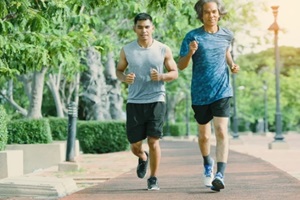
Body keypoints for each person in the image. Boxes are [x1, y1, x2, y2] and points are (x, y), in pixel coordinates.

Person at [178, 0, 240, 192]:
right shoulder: (192, 36)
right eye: (207, 12)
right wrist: (190, 52)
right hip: (200, 93)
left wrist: (232, 64)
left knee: (221, 131)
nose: (211, 15)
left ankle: (220, 174)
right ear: (201, 15)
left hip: (222, 90)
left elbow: (226, 52)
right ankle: (207, 164)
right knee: (204, 137)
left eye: (214, 12)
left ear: (219, 13)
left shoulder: (227, 35)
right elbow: (180, 65)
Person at [116, 13, 178, 190]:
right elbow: (119, 71)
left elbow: (174, 72)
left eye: (147, 27)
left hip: (157, 99)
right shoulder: (127, 50)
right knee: (135, 145)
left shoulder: (163, 49)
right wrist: (124, 78)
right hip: (135, 101)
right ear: (135, 28)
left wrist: (161, 76)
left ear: (153, 28)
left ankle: (153, 178)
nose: (144, 30)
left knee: (153, 141)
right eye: (140, 27)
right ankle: (142, 157)